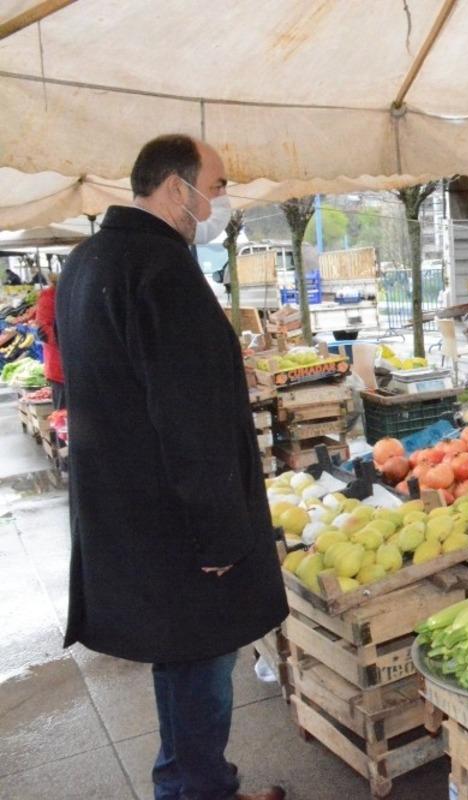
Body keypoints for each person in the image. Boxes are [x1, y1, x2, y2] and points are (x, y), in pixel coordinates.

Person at [57, 134, 288, 800]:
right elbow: (192, 421)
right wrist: (218, 536)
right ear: (173, 188)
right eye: (215, 187)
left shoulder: (88, 261)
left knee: (178, 657)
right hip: (176, 520)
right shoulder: (164, 272)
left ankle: (187, 781)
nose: (219, 202)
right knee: (202, 659)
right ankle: (202, 790)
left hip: (126, 509)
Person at [35, 271, 65, 409]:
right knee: (64, 416)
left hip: (81, 369)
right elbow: (47, 332)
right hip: (60, 370)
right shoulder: (49, 296)